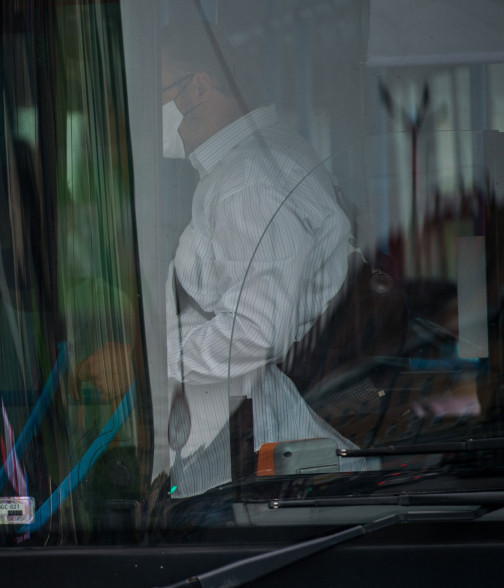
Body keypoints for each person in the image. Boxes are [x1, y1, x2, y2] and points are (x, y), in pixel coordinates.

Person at [77, 21, 370, 498]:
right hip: (255, 461)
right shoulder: (261, 161)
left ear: (200, 85)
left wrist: (142, 367)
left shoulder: (249, 180)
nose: (151, 112)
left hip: (264, 474)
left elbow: (255, 332)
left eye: (159, 93)